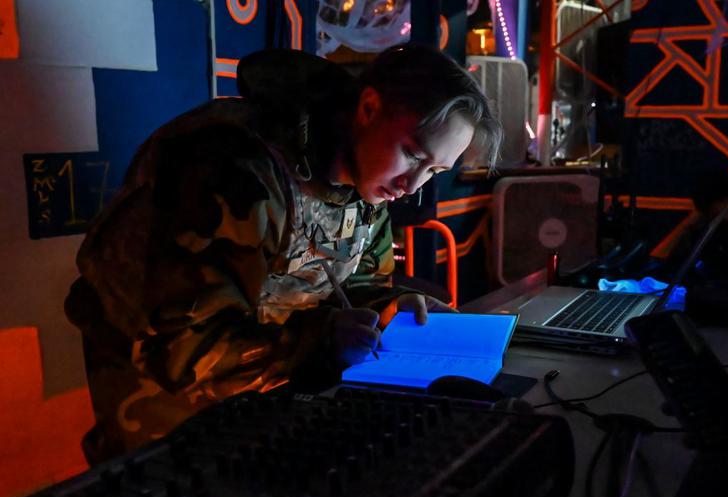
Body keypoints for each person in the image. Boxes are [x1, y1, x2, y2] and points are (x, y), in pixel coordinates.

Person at [64, 45, 503, 463]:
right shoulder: (233, 167)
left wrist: (388, 307)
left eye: (435, 171)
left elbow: (357, 284)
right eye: (412, 154)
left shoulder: (370, 183)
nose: (413, 185)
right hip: (159, 398)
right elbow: (184, 351)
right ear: (369, 108)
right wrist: (322, 340)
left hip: (262, 391)